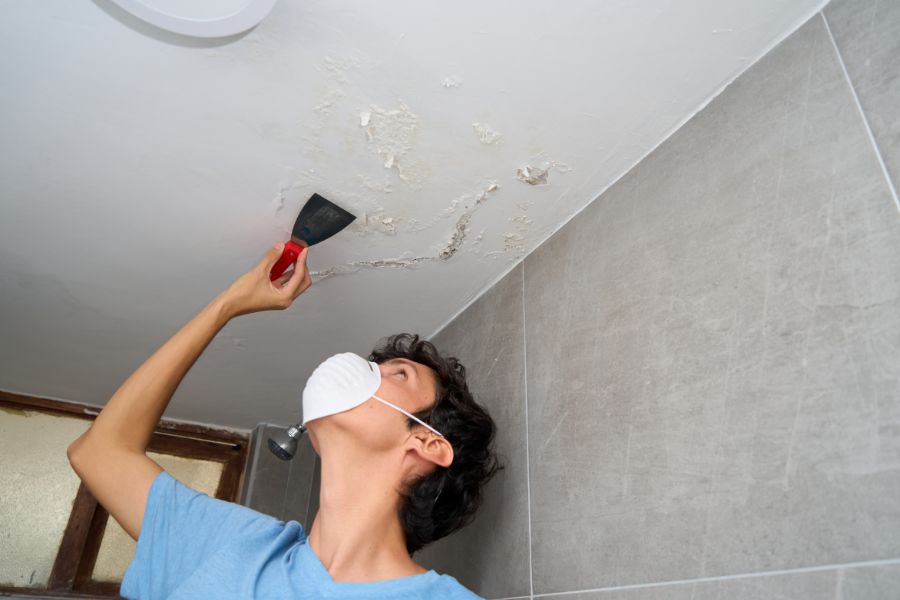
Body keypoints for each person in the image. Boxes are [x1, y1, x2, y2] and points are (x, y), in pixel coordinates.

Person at [66, 243, 502, 599]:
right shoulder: (234, 544)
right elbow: (100, 453)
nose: (363, 370)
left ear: (427, 444)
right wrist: (228, 304)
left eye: (397, 374)